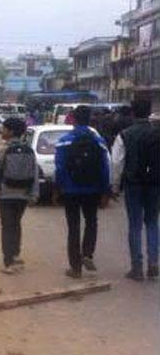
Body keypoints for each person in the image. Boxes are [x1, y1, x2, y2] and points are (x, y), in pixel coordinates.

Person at [54, 105, 111, 279]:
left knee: (73, 227)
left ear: (73, 119)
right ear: (90, 119)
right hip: (92, 189)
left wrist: (58, 188)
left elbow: (60, 167)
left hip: (71, 189)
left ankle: (75, 268)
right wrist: (104, 190)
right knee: (91, 221)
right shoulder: (99, 141)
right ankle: (87, 253)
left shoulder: (65, 140)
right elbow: (104, 167)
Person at [111, 99, 160, 281]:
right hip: (155, 184)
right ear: (149, 112)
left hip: (133, 185)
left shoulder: (124, 135)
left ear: (132, 113)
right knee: (153, 223)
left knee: (135, 225)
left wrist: (115, 186)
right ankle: (154, 262)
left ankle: (137, 267)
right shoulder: (157, 133)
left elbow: (116, 163)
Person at [0, 116, 39, 275]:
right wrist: (33, 194)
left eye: (4, 128)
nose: (2, 131)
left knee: (7, 226)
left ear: (10, 132)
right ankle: (16, 254)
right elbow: (35, 174)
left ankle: (9, 260)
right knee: (16, 224)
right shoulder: (29, 151)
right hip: (23, 195)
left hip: (6, 194)